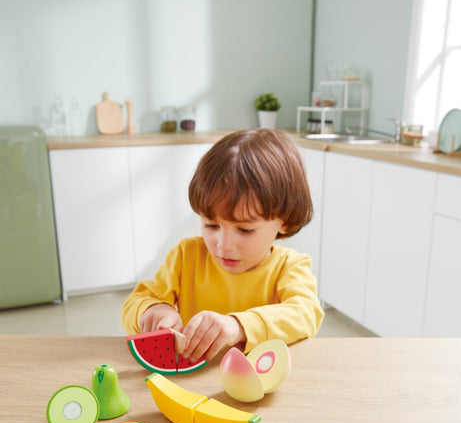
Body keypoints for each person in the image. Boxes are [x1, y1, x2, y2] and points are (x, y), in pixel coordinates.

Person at [121, 128, 323, 362]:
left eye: (245, 229)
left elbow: (306, 314)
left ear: (284, 221)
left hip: (260, 383)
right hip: (195, 382)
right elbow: (134, 303)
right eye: (211, 225)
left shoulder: (290, 266)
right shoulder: (186, 256)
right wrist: (152, 310)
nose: (224, 246)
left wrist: (238, 326)